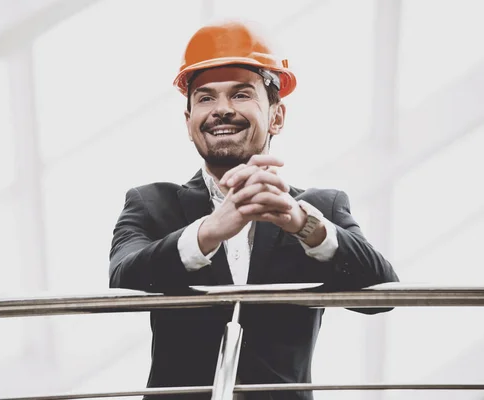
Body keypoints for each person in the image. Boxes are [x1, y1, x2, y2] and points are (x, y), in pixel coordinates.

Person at [109, 20, 399, 400]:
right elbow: (121, 280)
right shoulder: (150, 202)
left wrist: (304, 224)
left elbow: (383, 293)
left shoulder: (322, 207)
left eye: (241, 94)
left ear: (277, 116)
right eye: (206, 98)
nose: (222, 110)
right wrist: (209, 232)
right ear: (189, 121)